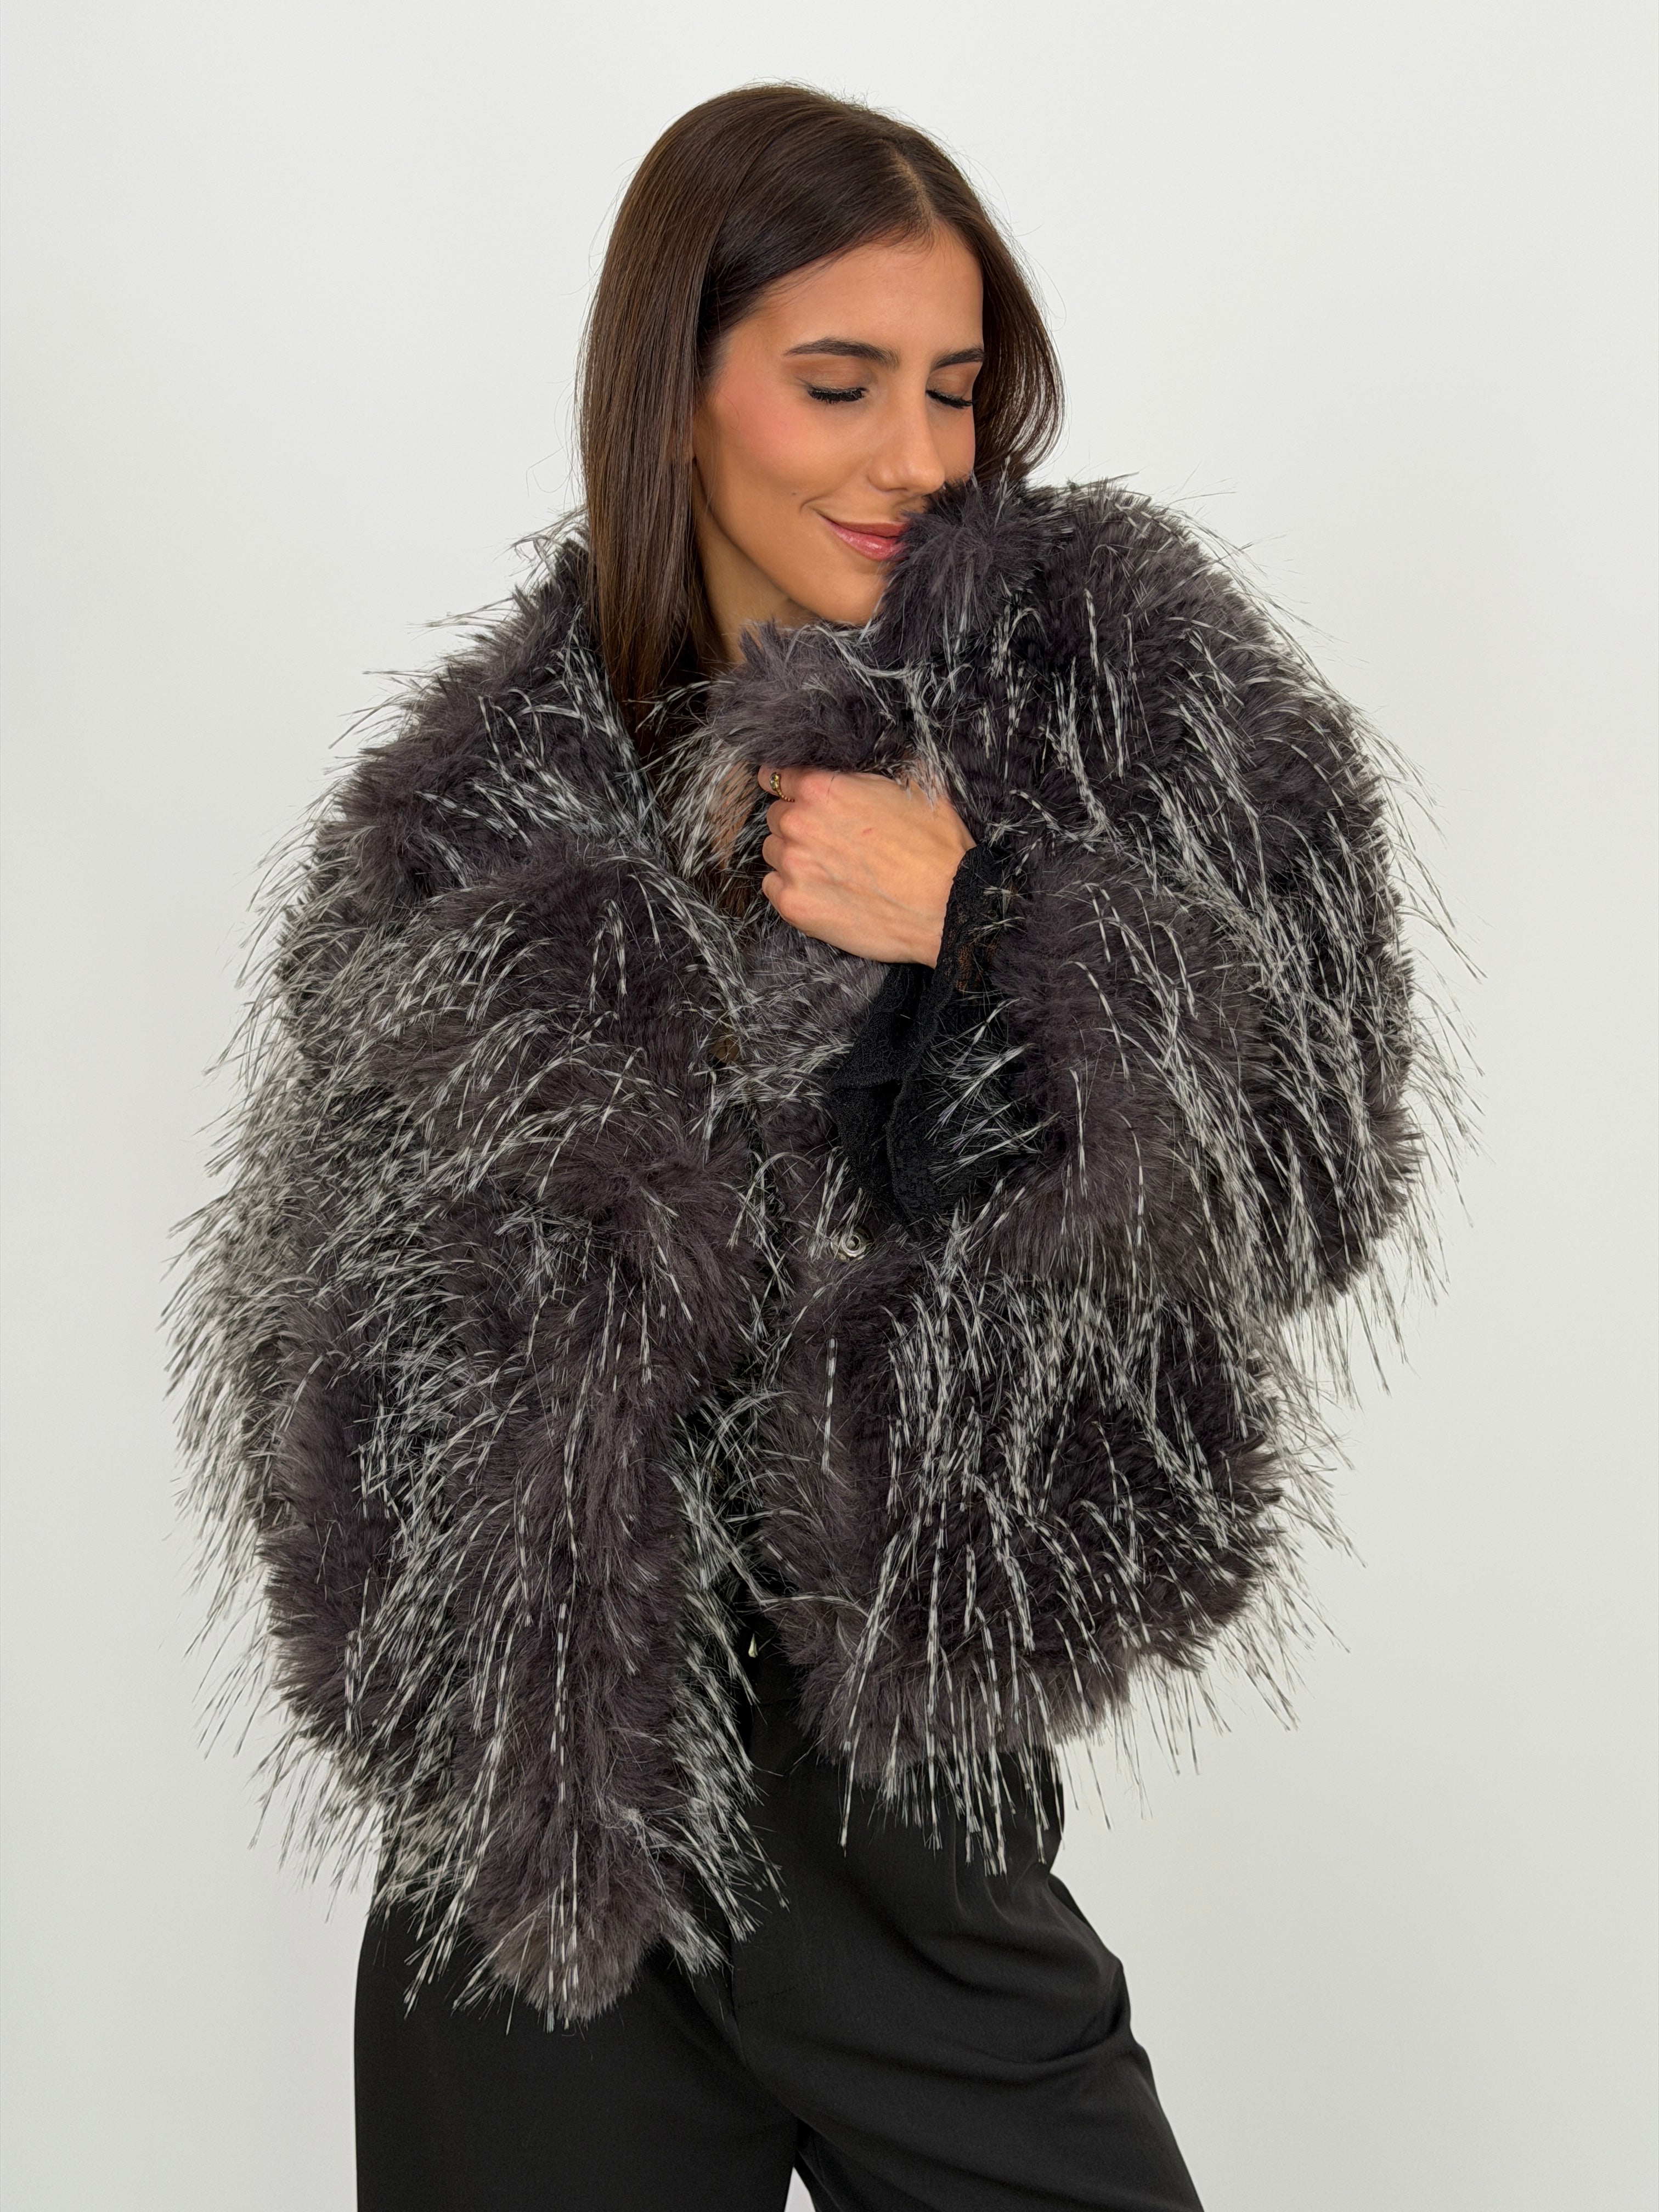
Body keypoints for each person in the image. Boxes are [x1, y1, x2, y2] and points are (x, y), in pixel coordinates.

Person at [170, 83, 1441, 2212]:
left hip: (907, 1824)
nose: (916, 455)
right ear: (675, 395)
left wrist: (995, 913)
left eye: (954, 385)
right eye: (840, 384)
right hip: (545, 1859)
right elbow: (318, 1343)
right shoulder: (455, 823)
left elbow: (1314, 1166)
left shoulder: (1104, 683)